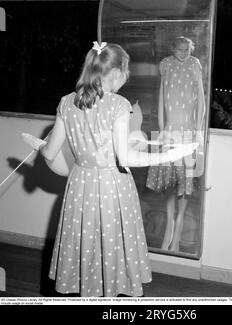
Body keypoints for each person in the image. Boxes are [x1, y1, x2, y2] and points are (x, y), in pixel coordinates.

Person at [22, 41, 198, 297]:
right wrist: (169, 155)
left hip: (80, 186)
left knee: (85, 244)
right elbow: (125, 158)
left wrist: (38, 146)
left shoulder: (67, 102)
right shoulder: (118, 105)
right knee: (113, 243)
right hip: (112, 188)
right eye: (126, 71)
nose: (126, 77)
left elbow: (50, 154)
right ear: (115, 72)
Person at [146, 36, 206, 252]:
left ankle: (179, 223)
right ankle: (170, 224)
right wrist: (163, 128)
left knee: (185, 181)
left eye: (187, 50)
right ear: (173, 48)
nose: (183, 53)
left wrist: (198, 130)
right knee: (170, 181)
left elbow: (201, 97)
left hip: (188, 131)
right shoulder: (166, 64)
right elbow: (161, 97)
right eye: (179, 49)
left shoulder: (194, 64)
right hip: (170, 131)